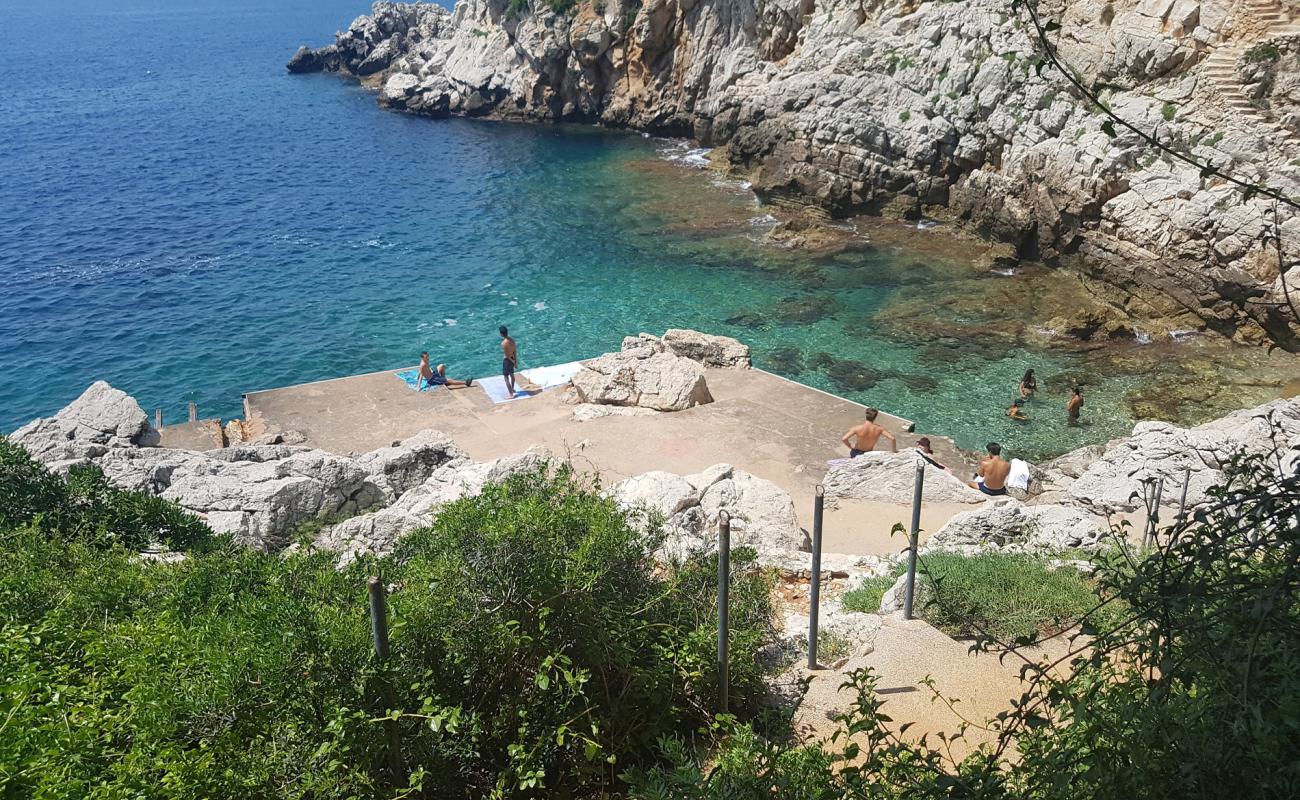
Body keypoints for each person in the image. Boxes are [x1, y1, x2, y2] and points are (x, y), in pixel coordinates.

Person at [500, 325, 519, 397]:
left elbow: (506, 355)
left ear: (501, 334)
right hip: (512, 358)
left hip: (507, 360)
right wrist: (515, 362)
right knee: (512, 375)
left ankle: (511, 394)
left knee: (506, 377)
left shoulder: (504, 343)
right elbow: (515, 351)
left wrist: (512, 361)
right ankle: (512, 389)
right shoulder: (512, 340)